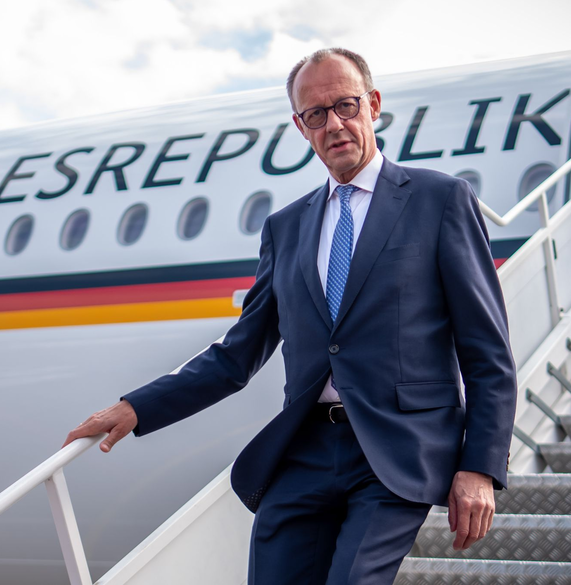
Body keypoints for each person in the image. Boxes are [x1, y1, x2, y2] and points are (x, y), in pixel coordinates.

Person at [64, 48, 517, 585]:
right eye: (316, 114)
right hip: (305, 450)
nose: (335, 125)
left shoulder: (439, 200)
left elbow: (487, 351)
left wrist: (480, 466)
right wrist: (137, 407)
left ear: (373, 105)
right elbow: (237, 355)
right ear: (301, 127)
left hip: (399, 448)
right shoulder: (286, 228)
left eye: (346, 105)